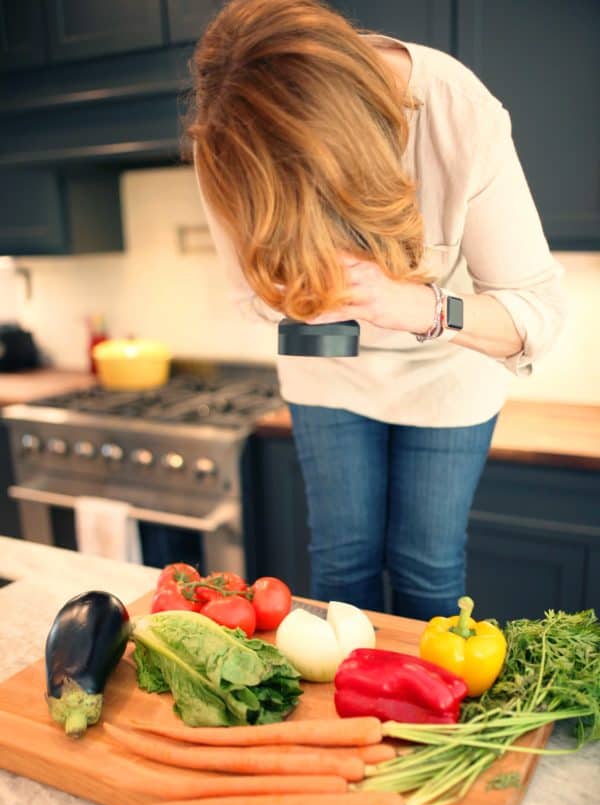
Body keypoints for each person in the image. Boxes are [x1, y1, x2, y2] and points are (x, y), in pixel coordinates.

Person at [187, 0, 567, 618]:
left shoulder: (455, 112)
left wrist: (416, 306)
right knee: (342, 562)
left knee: (428, 566)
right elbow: (249, 298)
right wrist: (289, 290)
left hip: (449, 372)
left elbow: (537, 313)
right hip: (327, 375)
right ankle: (353, 717)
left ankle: (420, 714)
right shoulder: (230, 139)